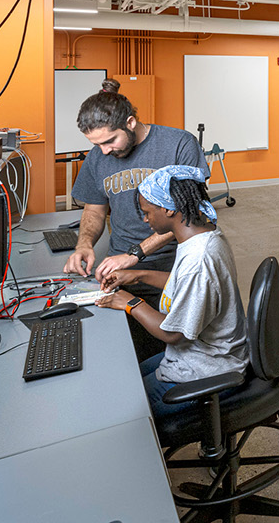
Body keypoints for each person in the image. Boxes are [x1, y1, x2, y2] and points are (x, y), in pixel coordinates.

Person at [95, 166, 247, 419]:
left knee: (117, 411)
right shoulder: (202, 236)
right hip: (202, 356)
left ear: (168, 209)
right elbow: (188, 287)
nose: (145, 220)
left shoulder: (198, 260)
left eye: (146, 212)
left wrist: (131, 303)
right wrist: (138, 274)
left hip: (206, 370)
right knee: (126, 377)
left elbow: (173, 334)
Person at [65, 91, 209, 359]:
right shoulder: (99, 156)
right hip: (120, 270)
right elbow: (94, 208)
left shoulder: (178, 144)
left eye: (110, 140)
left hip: (172, 268)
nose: (105, 151)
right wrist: (84, 244)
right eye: (97, 145)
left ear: (130, 122)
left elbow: (192, 212)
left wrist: (135, 254)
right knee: (128, 352)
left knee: (174, 350)